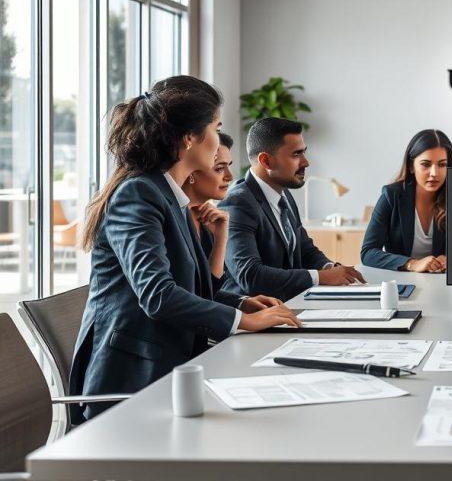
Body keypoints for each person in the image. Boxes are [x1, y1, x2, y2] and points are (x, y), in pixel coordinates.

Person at [70, 77, 300, 421]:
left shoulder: (170, 197)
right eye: (215, 127)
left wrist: (239, 302)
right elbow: (158, 295)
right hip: (132, 383)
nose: (217, 140)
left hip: (171, 369)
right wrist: (245, 321)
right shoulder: (139, 194)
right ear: (190, 138)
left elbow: (185, 287)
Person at [220, 117, 365, 301]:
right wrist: (321, 277)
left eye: (304, 152)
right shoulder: (237, 203)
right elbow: (250, 276)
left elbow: (305, 249)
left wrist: (329, 268)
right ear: (266, 161)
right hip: (254, 318)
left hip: (291, 306)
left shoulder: (284, 194)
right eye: (296, 154)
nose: (306, 162)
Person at [182, 133, 284, 310]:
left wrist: (242, 302)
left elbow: (207, 291)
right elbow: (178, 295)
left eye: (229, 166)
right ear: (192, 172)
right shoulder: (174, 216)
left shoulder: (207, 217)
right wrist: (243, 318)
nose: (230, 176)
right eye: (219, 168)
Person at [361, 129, 452, 272]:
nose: (434, 173)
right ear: (411, 166)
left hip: (443, 283)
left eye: (442, 164)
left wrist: (450, 258)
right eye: (426, 164)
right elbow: (368, 253)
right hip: (402, 283)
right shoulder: (391, 196)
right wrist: (412, 264)